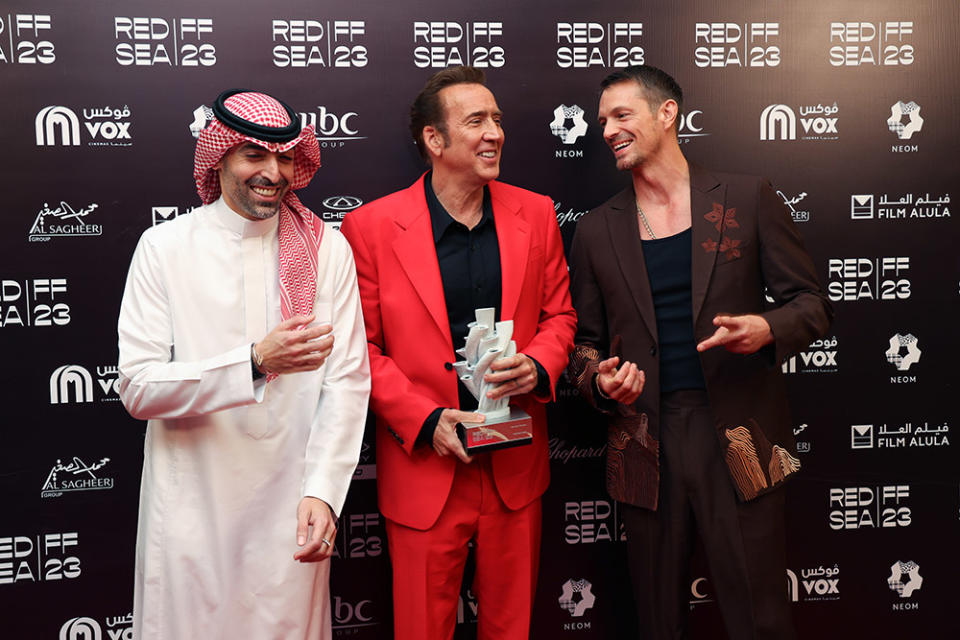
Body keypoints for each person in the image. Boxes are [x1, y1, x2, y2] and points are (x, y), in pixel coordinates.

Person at [567, 65, 832, 639]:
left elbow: (812, 304)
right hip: (643, 439)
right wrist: (600, 382)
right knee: (657, 619)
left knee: (760, 617)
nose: (607, 130)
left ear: (667, 114)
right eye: (601, 121)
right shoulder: (594, 231)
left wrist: (765, 326)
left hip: (739, 432)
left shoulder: (744, 196)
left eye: (621, 115)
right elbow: (583, 346)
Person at [117, 89, 370, 639]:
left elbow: (347, 383)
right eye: (255, 156)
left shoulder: (328, 250)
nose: (272, 172)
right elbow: (138, 388)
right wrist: (255, 362)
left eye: (283, 157)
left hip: (290, 506)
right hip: (191, 508)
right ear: (220, 157)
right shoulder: (164, 248)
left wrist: (324, 492)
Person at [340, 66, 576, 640]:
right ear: (435, 140)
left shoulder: (537, 213)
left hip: (514, 469)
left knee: (511, 629)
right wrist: (425, 420)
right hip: (427, 466)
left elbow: (560, 317)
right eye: (476, 121)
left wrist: (539, 364)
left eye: (497, 119)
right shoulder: (369, 227)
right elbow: (359, 350)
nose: (494, 132)